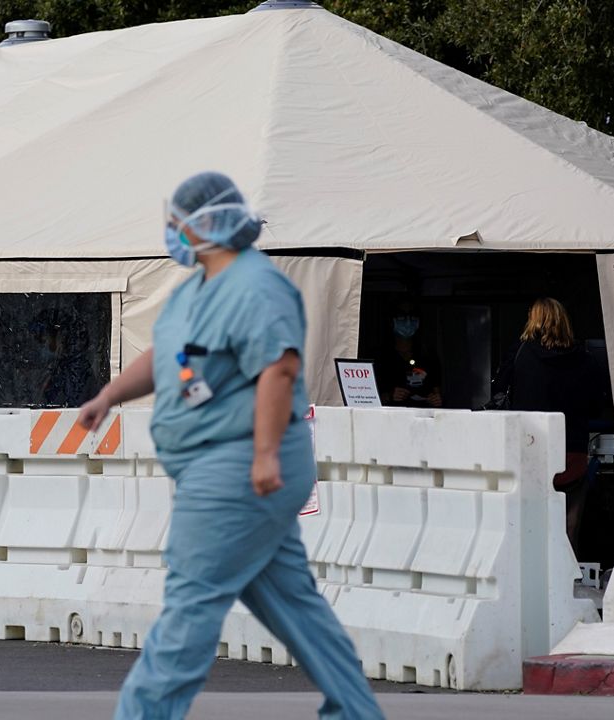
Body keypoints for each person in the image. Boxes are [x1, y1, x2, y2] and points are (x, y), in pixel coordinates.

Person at [77, 172, 383, 720]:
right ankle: (357, 713)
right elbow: (166, 355)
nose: (171, 232)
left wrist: (264, 455)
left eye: (177, 222)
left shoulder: (256, 286)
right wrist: (109, 395)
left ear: (206, 224)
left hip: (238, 469)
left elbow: (279, 368)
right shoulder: (195, 289)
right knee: (294, 605)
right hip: (222, 469)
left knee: (189, 605)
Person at [491, 298, 594, 552]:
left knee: (527, 516)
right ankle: (568, 575)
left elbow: (498, 391)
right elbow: (595, 399)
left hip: (531, 448)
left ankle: (531, 570)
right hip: (573, 453)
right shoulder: (584, 357)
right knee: (570, 520)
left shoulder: (520, 352)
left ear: (533, 320)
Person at [376, 302, 443, 408]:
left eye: (413, 317)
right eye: (402, 317)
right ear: (391, 321)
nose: (408, 322)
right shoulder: (381, 357)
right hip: (390, 417)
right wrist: (389, 396)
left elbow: (438, 392)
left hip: (423, 415)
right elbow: (368, 397)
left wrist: (436, 399)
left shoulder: (428, 357)